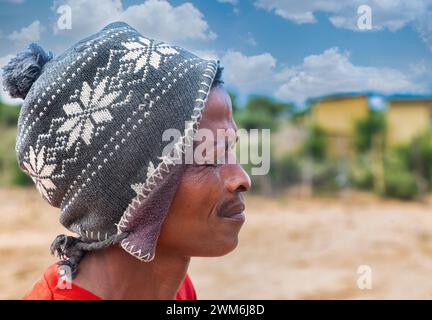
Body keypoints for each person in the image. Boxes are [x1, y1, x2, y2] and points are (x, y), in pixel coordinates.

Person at [2, 21, 250, 300]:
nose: (242, 179)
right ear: (131, 192)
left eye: (229, 151)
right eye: (209, 157)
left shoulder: (177, 290)